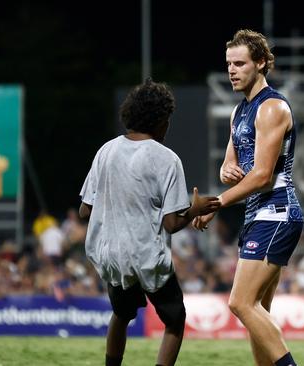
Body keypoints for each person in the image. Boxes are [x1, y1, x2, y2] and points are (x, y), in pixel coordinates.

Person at [78, 78, 220, 366]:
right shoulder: (167, 159)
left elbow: (84, 211)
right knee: (174, 320)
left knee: (121, 315)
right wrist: (195, 209)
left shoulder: (106, 151)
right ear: (161, 121)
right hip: (146, 256)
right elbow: (171, 224)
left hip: (112, 256)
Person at [194, 29, 304, 366]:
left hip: (277, 211)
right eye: (228, 64)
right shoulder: (238, 112)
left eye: (239, 63)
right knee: (258, 312)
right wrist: (227, 168)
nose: (231, 70)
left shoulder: (271, 108)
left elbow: (261, 175)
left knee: (240, 303)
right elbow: (232, 161)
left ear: (260, 63)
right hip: (259, 214)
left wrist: (217, 203)